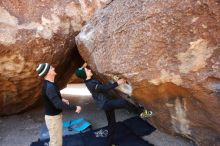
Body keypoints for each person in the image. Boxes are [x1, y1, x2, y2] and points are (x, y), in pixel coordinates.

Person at [75, 63, 152, 146]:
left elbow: (81, 72)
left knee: (112, 124)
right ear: (85, 75)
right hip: (105, 104)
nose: (89, 69)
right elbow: (104, 88)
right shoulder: (91, 84)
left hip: (105, 102)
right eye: (87, 70)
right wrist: (117, 82)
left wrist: (83, 66)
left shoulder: (89, 78)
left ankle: (108, 144)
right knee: (122, 102)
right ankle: (141, 113)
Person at [36, 63, 82, 146]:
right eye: (51, 68)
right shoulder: (50, 87)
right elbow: (58, 104)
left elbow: (52, 98)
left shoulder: (51, 84)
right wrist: (75, 108)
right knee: (56, 143)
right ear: (47, 72)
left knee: (55, 140)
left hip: (54, 117)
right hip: (53, 119)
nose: (53, 68)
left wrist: (62, 99)